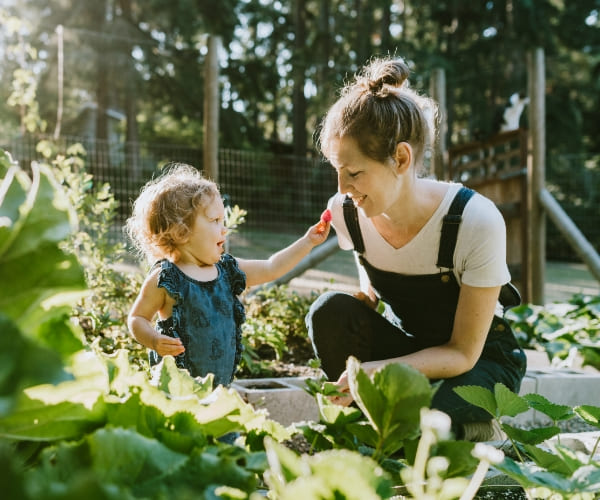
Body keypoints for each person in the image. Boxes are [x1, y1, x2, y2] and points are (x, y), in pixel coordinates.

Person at [306, 57, 527, 441]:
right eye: (337, 170)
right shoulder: (348, 212)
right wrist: (368, 298)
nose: (342, 188)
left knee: (416, 408)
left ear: (402, 158)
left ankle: (473, 428)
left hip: (478, 365)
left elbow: (462, 353)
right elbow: (372, 265)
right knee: (329, 312)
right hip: (413, 349)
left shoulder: (474, 219)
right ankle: (386, 426)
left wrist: (383, 371)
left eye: (354, 173)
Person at [126, 163, 330, 387]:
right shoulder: (166, 279)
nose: (224, 229)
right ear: (181, 231)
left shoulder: (227, 270)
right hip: (176, 387)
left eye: (223, 221)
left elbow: (272, 267)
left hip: (220, 386)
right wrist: (154, 340)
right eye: (215, 221)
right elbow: (137, 319)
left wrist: (308, 241)